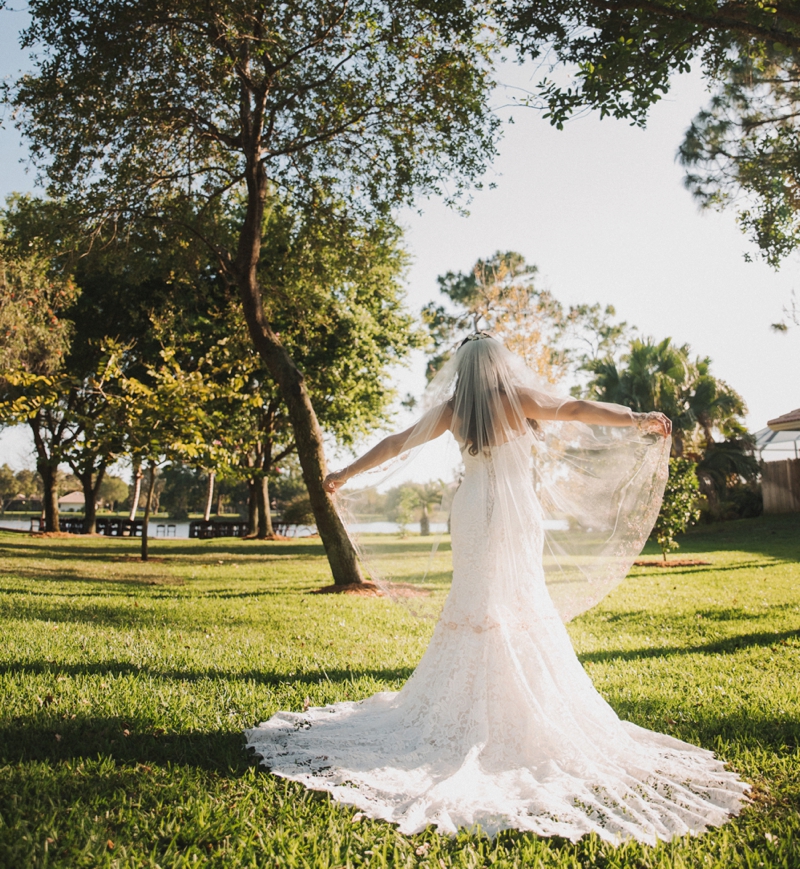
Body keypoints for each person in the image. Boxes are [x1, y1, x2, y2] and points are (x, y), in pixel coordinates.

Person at [246, 334, 748, 844]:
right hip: (513, 514)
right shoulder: (517, 400)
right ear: (500, 368)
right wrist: (635, 418)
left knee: (478, 601)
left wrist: (346, 472)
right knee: (515, 601)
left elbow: (397, 443)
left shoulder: (451, 411)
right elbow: (576, 409)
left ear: (463, 371)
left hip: (471, 511)